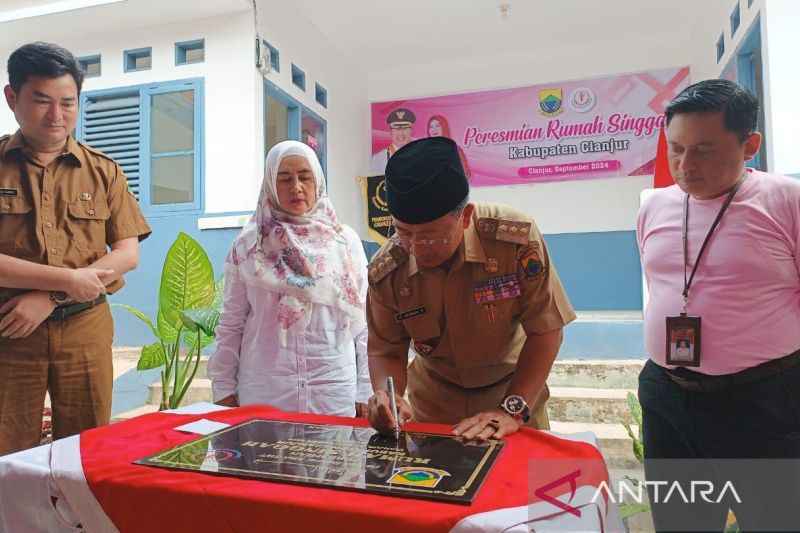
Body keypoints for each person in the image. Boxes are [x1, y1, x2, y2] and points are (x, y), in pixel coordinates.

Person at [637, 79, 800, 530]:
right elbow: (661, 284)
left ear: (750, 145)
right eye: (676, 148)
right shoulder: (654, 207)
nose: (685, 166)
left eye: (704, 149)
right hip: (668, 397)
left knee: (776, 521)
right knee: (680, 522)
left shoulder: (787, 202)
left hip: (761, 401)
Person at [366, 137, 575, 441]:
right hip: (432, 405)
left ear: (465, 217)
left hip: (512, 392)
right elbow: (386, 349)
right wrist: (389, 397)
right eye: (403, 232)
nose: (416, 248)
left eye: (430, 235)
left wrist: (511, 410)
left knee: (519, 485)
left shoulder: (514, 239)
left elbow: (546, 329)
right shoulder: (387, 270)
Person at [0, 42, 151, 455]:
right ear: (12, 98)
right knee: (7, 448)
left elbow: (127, 253)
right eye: (42, 101)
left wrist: (52, 295)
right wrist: (66, 279)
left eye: (68, 102)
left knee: (86, 447)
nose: (56, 115)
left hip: (85, 327)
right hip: (9, 328)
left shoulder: (104, 171)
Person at [208, 140, 372, 417]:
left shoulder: (345, 242)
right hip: (266, 391)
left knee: (334, 460)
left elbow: (365, 322)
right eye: (284, 179)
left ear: (317, 181)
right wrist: (223, 387)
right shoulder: (249, 245)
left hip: (332, 391)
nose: (296, 187)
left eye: (304, 177)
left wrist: (366, 389)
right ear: (271, 184)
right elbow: (231, 323)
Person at [370, 107, 415, 175]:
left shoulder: (420, 156)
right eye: (397, 129)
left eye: (405, 128)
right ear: (390, 132)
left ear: (411, 131)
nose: (401, 133)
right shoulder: (378, 159)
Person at [427, 114, 472, 179]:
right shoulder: (426, 150)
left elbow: (464, 173)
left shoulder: (455, 149)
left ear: (444, 127)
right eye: (431, 127)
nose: (434, 129)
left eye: (437, 126)